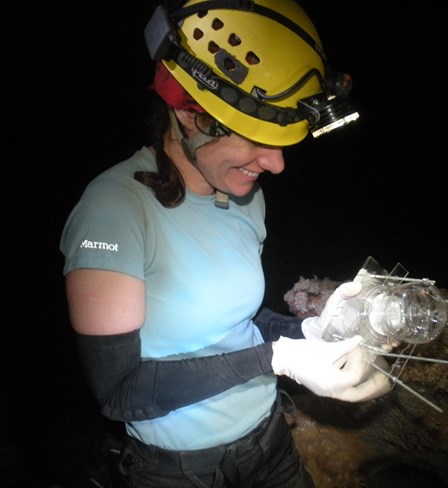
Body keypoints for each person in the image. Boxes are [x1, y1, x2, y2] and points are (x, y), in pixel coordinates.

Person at [59, 1, 391, 487]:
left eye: (281, 143)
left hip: (268, 439)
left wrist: (315, 329)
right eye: (256, 139)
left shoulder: (243, 197)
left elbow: (237, 322)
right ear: (192, 116)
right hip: (178, 469)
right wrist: (276, 359)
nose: (276, 165)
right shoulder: (113, 210)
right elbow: (121, 392)